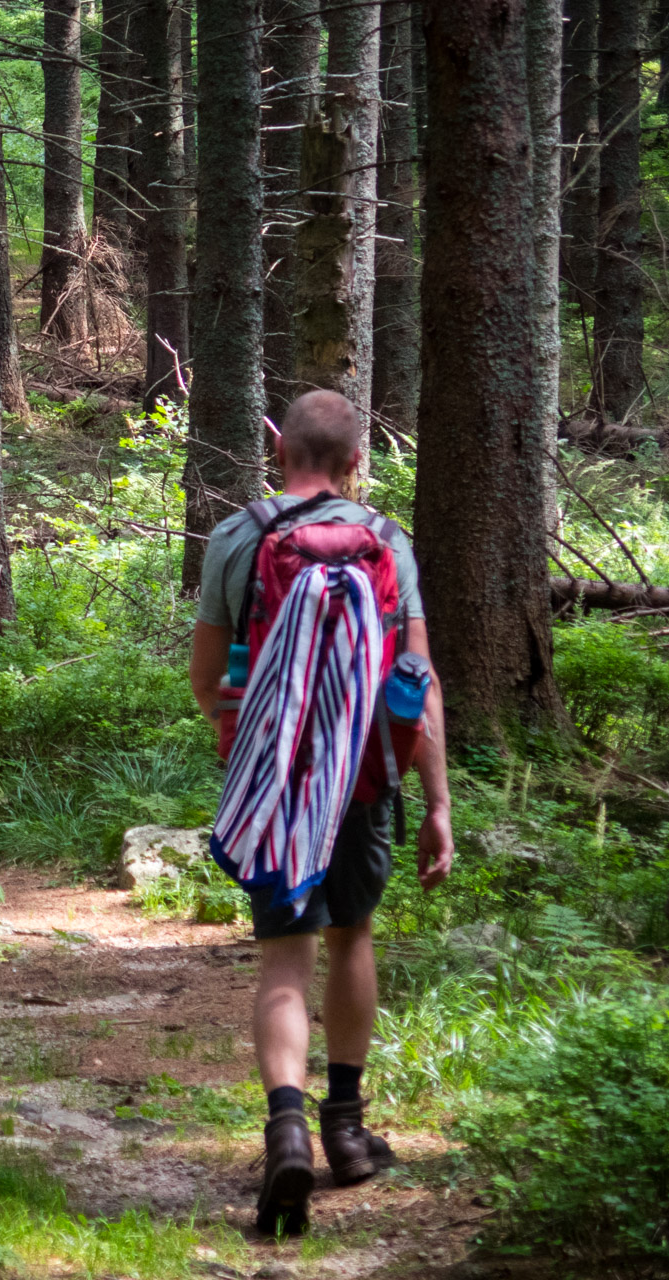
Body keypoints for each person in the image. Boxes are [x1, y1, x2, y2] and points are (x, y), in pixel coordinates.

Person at [188, 389, 454, 1236]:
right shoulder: (387, 544)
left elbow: (206, 680)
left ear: (280, 452)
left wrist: (261, 743)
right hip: (366, 779)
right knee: (354, 939)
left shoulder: (237, 539)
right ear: (355, 464)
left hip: (278, 784)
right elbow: (418, 681)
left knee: (282, 964)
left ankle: (287, 1135)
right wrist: (439, 802)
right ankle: (346, 1125)